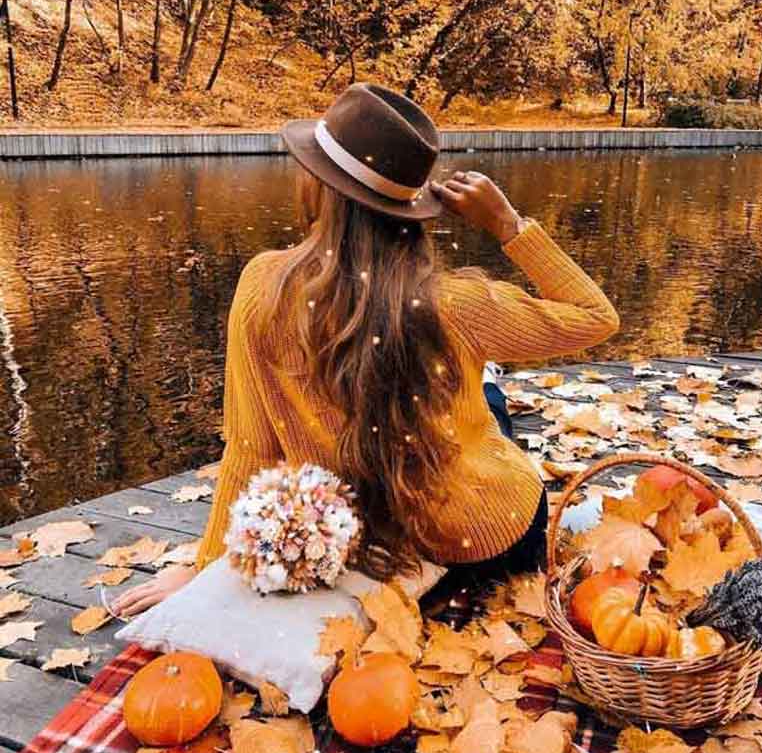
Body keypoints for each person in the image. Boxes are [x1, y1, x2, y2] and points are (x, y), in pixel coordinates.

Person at [114, 83, 618, 617]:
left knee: (481, 399)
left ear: (318, 185)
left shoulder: (261, 289)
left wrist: (206, 568)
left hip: (370, 552)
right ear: (410, 206)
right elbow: (597, 316)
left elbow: (251, 449)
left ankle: (485, 387)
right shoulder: (457, 305)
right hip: (491, 538)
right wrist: (509, 226)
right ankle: (486, 385)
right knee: (485, 409)